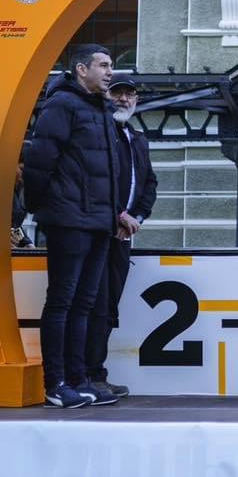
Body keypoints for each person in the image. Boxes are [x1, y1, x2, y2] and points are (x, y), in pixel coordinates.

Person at [22, 44, 122, 408]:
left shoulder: (102, 109)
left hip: (97, 221)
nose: (110, 71)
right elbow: (38, 159)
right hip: (68, 219)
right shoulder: (62, 105)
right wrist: (42, 208)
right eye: (104, 65)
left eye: (111, 65)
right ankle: (56, 382)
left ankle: (79, 380)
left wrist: (114, 215)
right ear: (81, 70)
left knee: (84, 304)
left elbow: (109, 173)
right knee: (62, 302)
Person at [84, 76, 158, 400]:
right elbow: (93, 181)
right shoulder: (98, 135)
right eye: (118, 93)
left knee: (108, 308)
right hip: (98, 232)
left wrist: (135, 218)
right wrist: (116, 215)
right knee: (92, 306)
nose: (124, 100)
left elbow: (150, 185)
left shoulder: (138, 138)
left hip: (123, 237)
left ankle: (96, 373)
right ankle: (84, 375)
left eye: (130, 94)